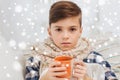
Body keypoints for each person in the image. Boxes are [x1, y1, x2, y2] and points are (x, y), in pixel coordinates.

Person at [25, 1, 117, 80]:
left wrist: (86, 78)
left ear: (80, 31)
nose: (65, 36)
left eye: (72, 29)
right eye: (58, 29)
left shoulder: (94, 58)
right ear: (49, 32)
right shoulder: (37, 59)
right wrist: (45, 78)